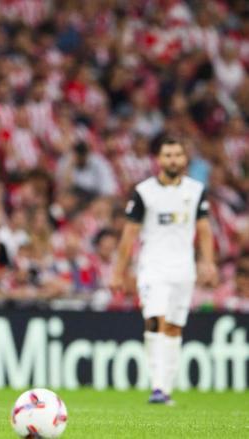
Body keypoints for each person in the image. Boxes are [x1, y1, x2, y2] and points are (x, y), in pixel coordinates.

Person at [110, 138, 217, 405]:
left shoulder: (195, 190)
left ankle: (165, 388)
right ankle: (157, 386)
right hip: (152, 267)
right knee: (155, 320)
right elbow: (129, 234)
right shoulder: (144, 192)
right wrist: (118, 272)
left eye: (177, 154)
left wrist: (209, 262)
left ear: (184, 159)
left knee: (173, 327)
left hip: (184, 270)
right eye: (168, 155)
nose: (173, 160)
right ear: (158, 159)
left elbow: (204, 230)